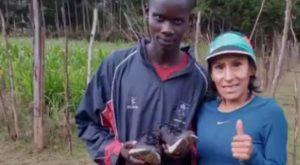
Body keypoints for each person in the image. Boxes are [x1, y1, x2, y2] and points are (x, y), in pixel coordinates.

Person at [75, 0, 208, 164]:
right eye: (159, 18)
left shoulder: (202, 81)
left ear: (191, 20)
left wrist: (187, 151)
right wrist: (118, 152)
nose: (166, 29)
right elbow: (87, 122)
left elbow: (210, 137)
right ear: (147, 13)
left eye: (177, 21)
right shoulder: (116, 68)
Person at [196, 31, 288, 165]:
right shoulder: (203, 110)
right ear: (212, 74)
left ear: (251, 69)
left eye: (237, 65)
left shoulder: (270, 113)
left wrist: (252, 157)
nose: (228, 77)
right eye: (219, 67)